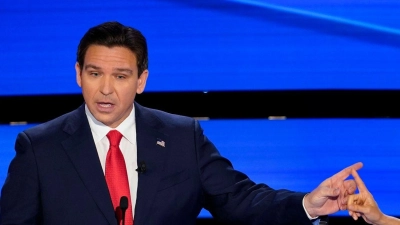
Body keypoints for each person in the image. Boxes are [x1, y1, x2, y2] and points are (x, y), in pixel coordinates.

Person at [0, 21, 363, 225]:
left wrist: (310, 204)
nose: (106, 88)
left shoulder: (181, 137)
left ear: (141, 80)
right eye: (95, 73)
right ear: (78, 74)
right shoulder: (38, 147)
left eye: (122, 76)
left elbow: (240, 200)